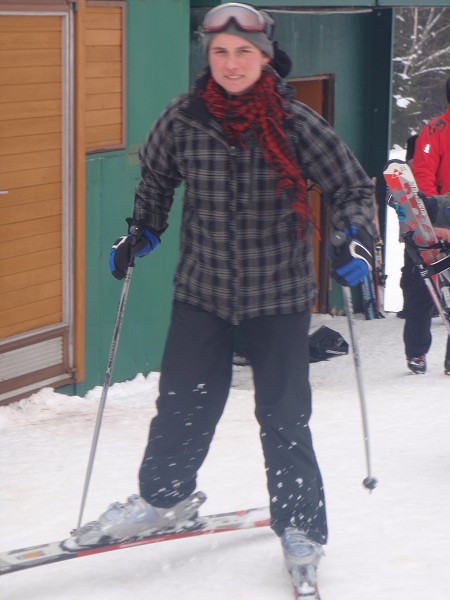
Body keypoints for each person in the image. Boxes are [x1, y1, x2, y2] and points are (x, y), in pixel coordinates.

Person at [69, 2, 375, 586]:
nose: (231, 64)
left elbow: (351, 186)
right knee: (183, 407)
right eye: (220, 53)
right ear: (207, 56)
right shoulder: (184, 119)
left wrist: (351, 236)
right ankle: (165, 498)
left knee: (285, 417)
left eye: (243, 52)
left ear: (264, 57)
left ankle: (301, 525)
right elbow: (157, 176)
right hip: (202, 291)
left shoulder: (294, 122)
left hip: (278, 296)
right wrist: (143, 228)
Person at [400, 76, 450, 374]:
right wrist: (430, 219)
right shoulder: (435, 131)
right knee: (420, 283)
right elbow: (422, 173)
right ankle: (417, 351)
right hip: (435, 215)